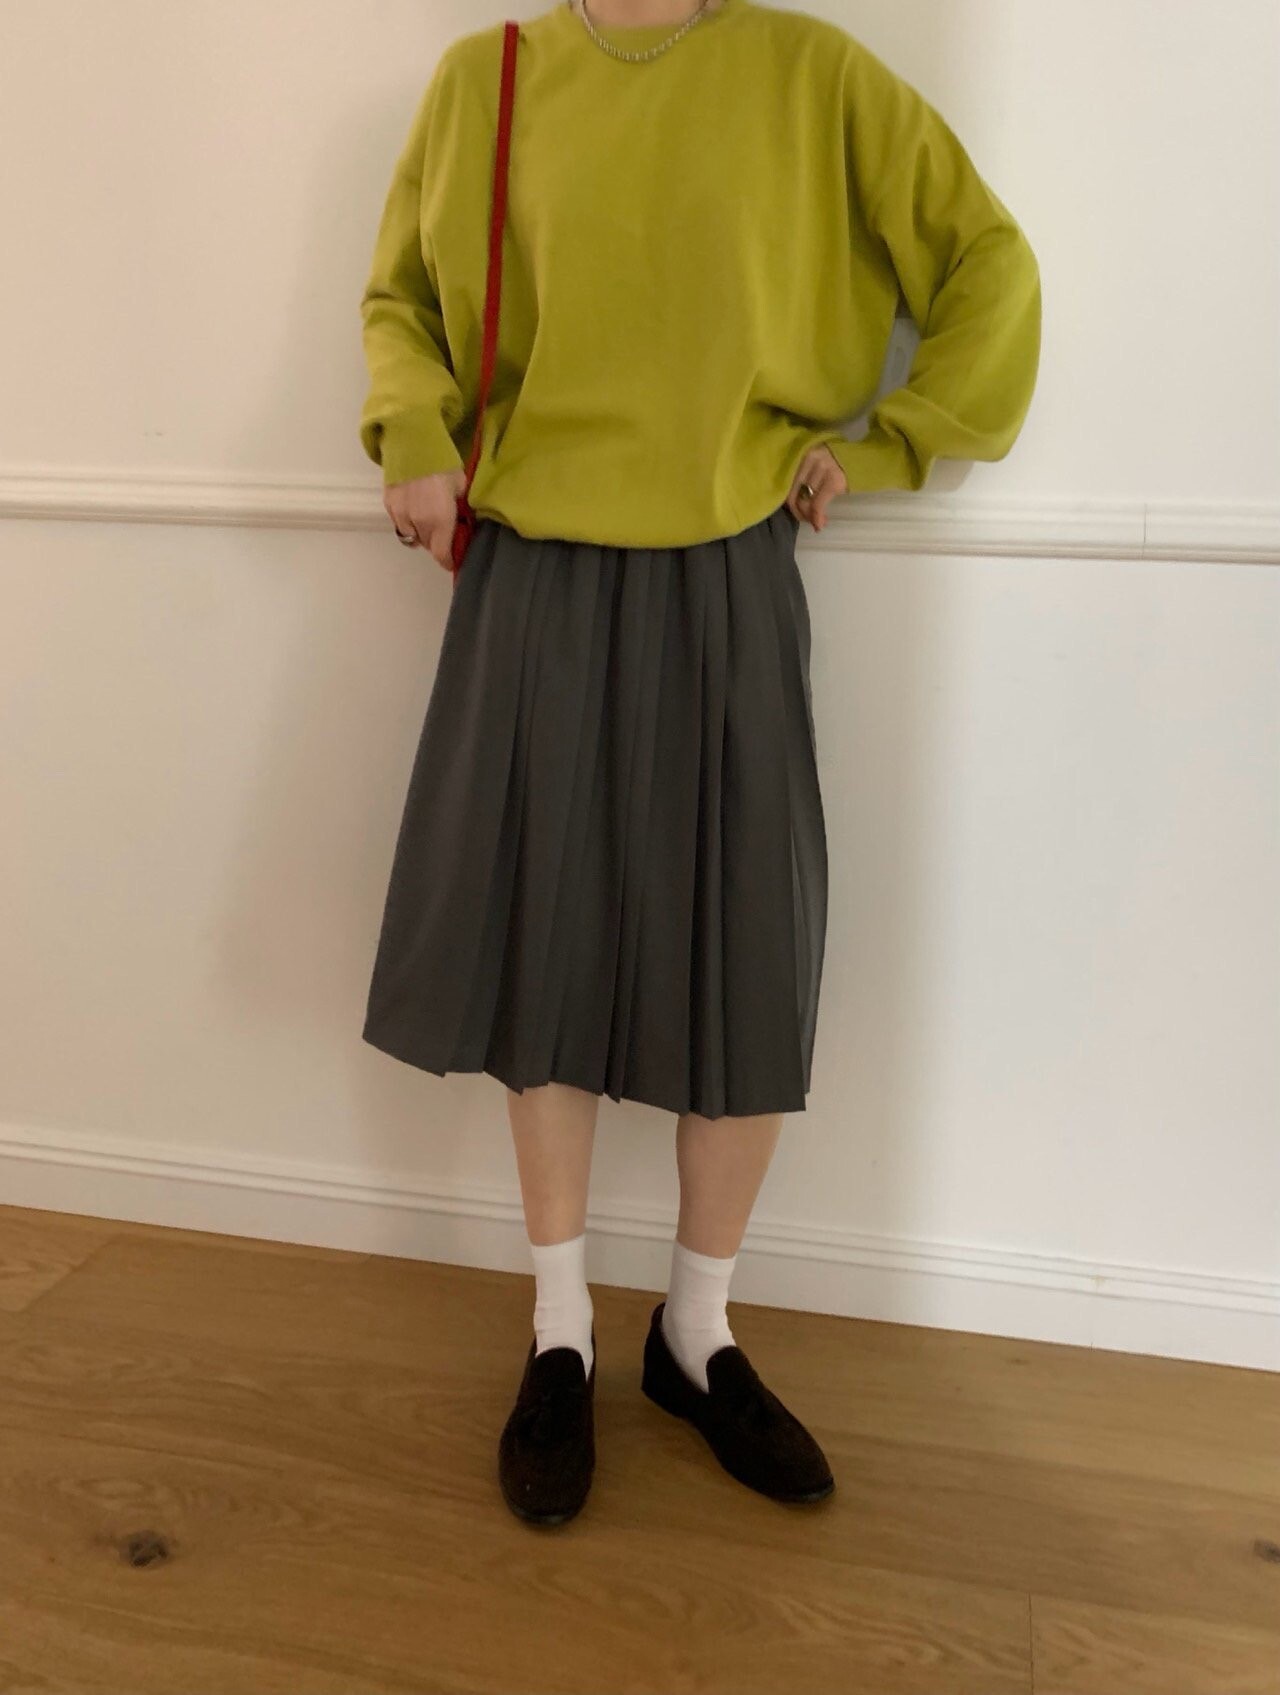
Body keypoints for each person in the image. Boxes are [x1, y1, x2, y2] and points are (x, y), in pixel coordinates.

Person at [356, 0, 1041, 1526]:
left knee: (741, 942)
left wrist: (898, 436)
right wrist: (413, 433)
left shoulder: (814, 74)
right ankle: (559, 1328)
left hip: (730, 557)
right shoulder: (489, 76)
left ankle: (699, 1330)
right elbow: (402, 295)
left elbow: (987, 261)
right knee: (543, 943)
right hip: (532, 559)